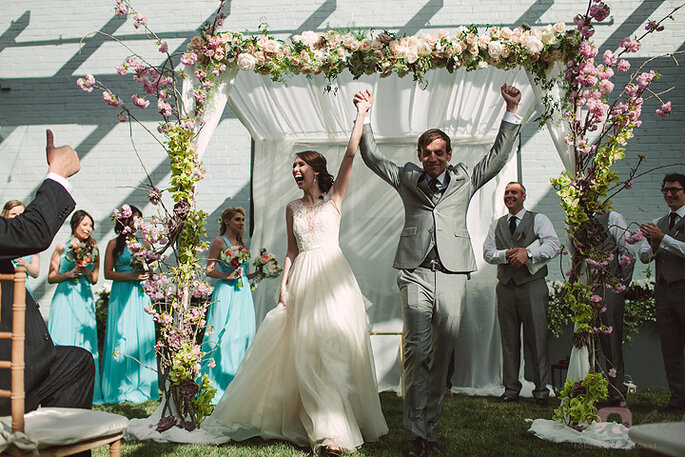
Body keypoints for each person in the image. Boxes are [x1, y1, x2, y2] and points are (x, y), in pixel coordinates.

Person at [201, 94, 388, 456]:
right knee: (307, 352)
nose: (295, 170)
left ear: (315, 170)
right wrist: (284, 286)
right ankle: (321, 426)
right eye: (293, 166)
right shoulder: (291, 208)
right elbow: (290, 250)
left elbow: (350, 156)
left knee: (332, 350)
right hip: (303, 279)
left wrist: (361, 115)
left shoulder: (334, 198)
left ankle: (334, 428)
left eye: (300, 165)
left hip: (333, 280)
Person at [357, 85, 522, 457]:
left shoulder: (464, 179)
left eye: (439, 153)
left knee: (442, 352)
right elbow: (371, 156)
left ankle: (431, 430)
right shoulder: (406, 178)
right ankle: (416, 433)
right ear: (419, 155)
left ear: (449, 155)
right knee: (417, 350)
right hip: (415, 270)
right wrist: (364, 115)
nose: (433, 158)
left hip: (452, 273)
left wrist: (511, 109)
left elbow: (496, 158)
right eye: (427, 153)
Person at [0, 129, 94, 415]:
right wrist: (58, 174)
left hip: (28, 359)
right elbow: (29, 234)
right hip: (11, 374)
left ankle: (52, 442)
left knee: (77, 361)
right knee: (77, 363)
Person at [483, 182, 560, 406]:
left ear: (524, 196)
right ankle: (510, 389)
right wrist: (505, 255)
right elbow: (488, 253)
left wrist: (529, 253)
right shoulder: (497, 225)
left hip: (532, 286)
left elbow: (553, 245)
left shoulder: (539, 219)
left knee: (537, 337)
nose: (509, 195)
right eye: (506, 192)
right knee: (509, 339)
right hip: (505, 287)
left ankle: (541, 390)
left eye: (514, 192)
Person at [101, 205, 159, 404]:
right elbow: (108, 273)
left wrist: (148, 269)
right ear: (124, 221)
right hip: (122, 293)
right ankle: (119, 385)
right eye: (136, 219)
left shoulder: (145, 243)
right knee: (122, 335)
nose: (139, 223)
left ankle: (142, 385)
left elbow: (153, 266)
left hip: (141, 294)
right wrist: (132, 275)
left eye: (140, 219)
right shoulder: (112, 244)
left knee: (142, 335)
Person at [639, 172, 685, 413]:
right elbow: (644, 256)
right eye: (665, 190)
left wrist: (663, 239)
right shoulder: (659, 222)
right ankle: (678, 399)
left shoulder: (661, 230)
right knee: (670, 348)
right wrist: (654, 245)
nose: (668, 194)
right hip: (664, 292)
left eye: (674, 190)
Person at [47, 209, 102, 404]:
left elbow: (95, 279)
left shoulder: (94, 250)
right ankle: (58, 387)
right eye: (85, 224)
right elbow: (51, 277)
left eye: (90, 226)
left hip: (84, 298)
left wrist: (85, 270)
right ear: (75, 224)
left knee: (85, 341)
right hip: (64, 297)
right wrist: (68, 275)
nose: (88, 229)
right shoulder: (61, 248)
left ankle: (87, 389)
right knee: (62, 337)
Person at [202, 207, 256, 402]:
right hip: (225, 291)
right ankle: (214, 382)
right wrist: (226, 275)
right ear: (226, 221)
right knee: (221, 336)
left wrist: (258, 273)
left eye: (243, 220)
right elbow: (209, 269)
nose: (242, 223)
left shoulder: (241, 243)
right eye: (238, 220)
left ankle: (237, 384)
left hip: (242, 292)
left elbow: (241, 272)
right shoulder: (219, 242)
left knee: (242, 335)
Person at [1, 201, 41, 297]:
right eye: (13, 214)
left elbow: (35, 273)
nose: (17, 217)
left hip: (23, 287)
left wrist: (25, 264)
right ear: (5, 215)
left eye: (20, 215)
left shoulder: (32, 241)